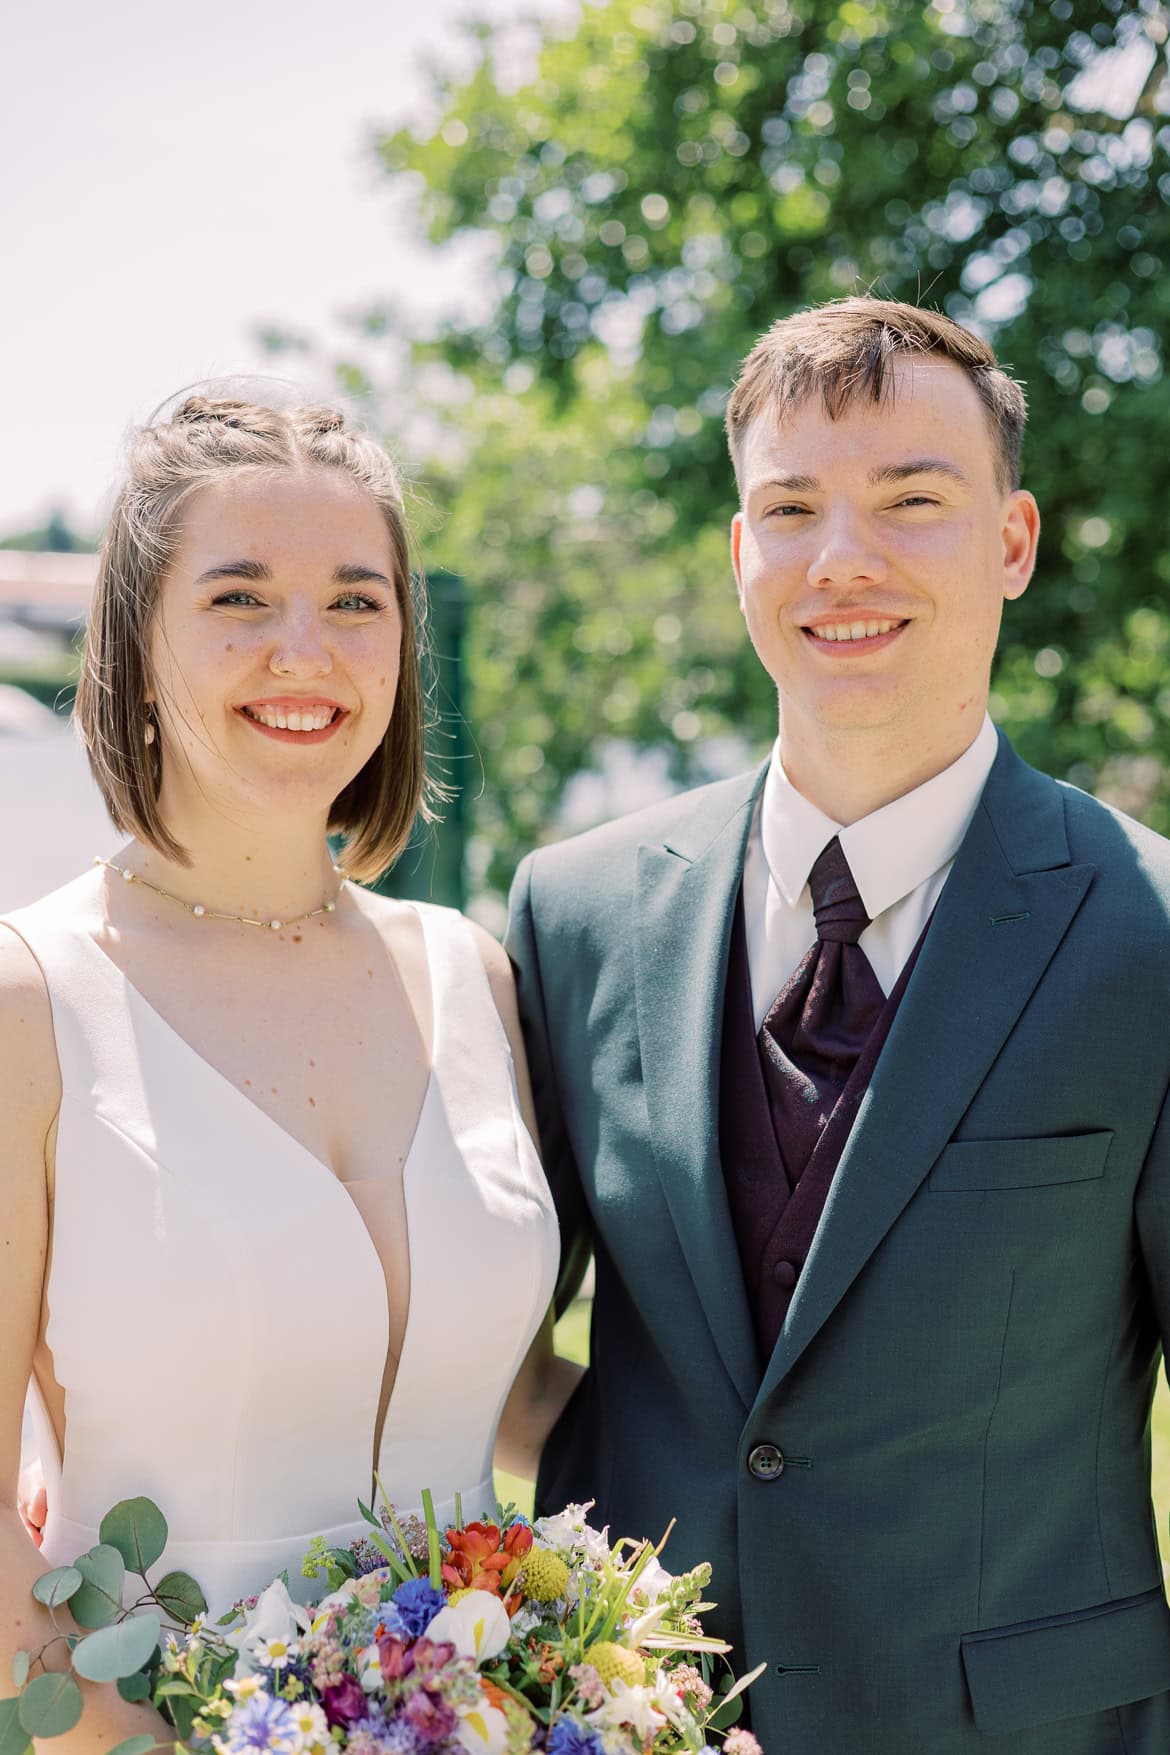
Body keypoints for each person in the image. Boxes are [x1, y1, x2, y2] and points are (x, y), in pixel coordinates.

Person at [505, 298, 1170, 1754]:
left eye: (908, 502)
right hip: (632, 1718)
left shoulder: (1149, 934)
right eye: (787, 507)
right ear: (740, 550)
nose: (839, 558)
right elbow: (474, 1329)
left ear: (1011, 542)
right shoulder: (573, 912)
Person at [0, 395, 579, 1749]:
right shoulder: (31, 1001)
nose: (304, 652)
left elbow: (522, 1404)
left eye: (356, 600)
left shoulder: (474, 977)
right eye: (241, 598)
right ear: (137, 646)